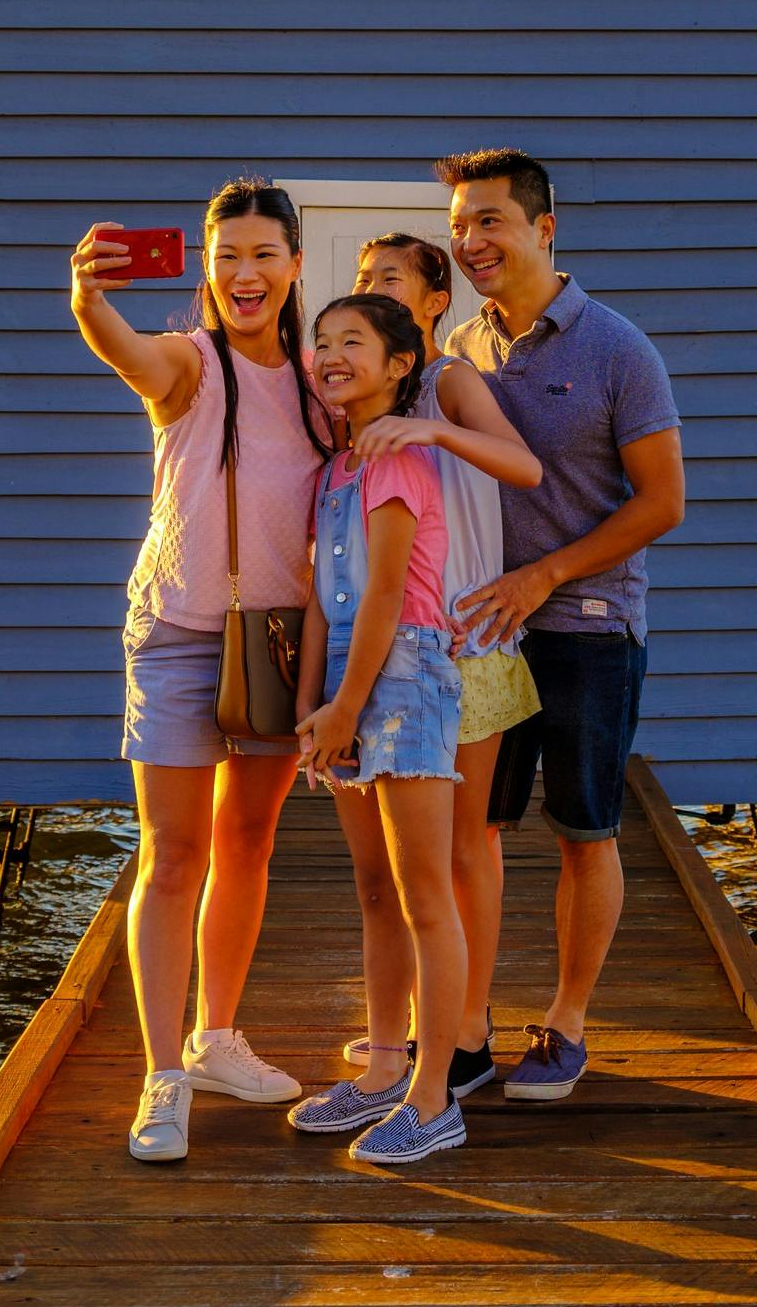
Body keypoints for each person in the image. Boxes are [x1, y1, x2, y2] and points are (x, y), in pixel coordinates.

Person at [70, 180, 325, 1164]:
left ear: (296, 264)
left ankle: (216, 1038)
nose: (244, 274)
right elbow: (124, 349)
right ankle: (160, 1077)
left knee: (248, 842)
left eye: (263, 254)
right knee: (173, 857)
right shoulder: (190, 364)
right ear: (206, 268)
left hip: (274, 645)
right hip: (179, 637)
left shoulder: (317, 383)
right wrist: (90, 298)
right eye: (227, 257)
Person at [435, 148, 686, 1103]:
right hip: (489, 628)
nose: (470, 241)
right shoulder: (459, 349)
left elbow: (662, 501)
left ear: (546, 226)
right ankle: (465, 1028)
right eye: (460, 225)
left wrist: (545, 574)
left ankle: (568, 1021)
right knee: (478, 831)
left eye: (489, 220)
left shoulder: (619, 348)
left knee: (585, 826)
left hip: (587, 620)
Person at [341, 234, 542, 1099]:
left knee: (468, 848)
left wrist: (429, 424)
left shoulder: (448, 380)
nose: (370, 288)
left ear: (433, 302)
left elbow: (524, 465)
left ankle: (466, 1032)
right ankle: (418, 1027)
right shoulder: (365, 389)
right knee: (406, 862)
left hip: (467, 639)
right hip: (404, 648)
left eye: (390, 278)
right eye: (361, 279)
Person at [283, 294, 474, 1164]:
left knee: (423, 894)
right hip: (346, 690)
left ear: (400, 364)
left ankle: (434, 1096)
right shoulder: (335, 470)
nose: (328, 354)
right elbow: (325, 599)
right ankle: (383, 1067)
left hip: (403, 681)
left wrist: (348, 706)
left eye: (350, 341)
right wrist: (310, 705)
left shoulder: (397, 459)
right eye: (320, 342)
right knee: (371, 887)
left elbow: (391, 596)